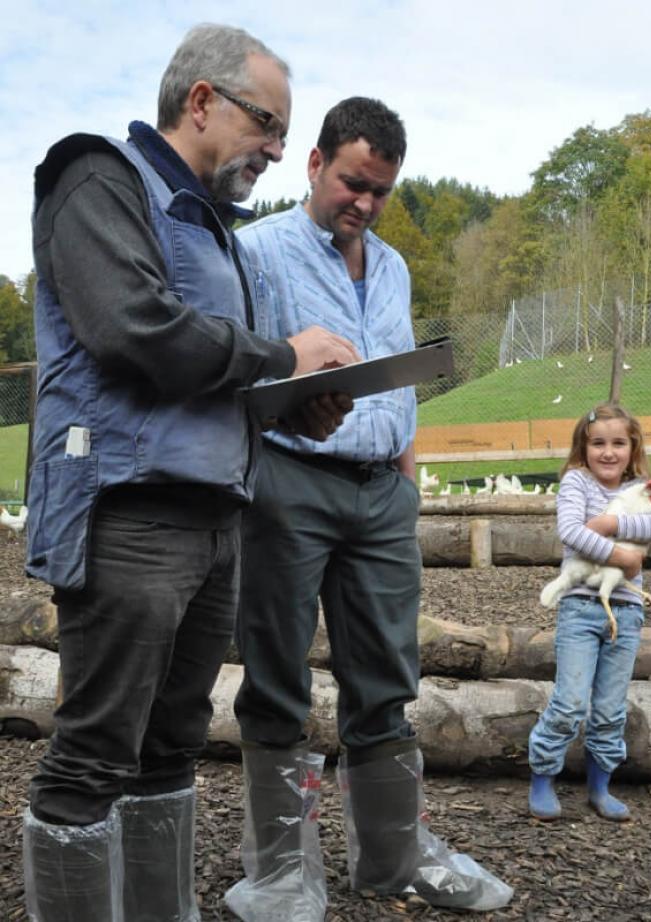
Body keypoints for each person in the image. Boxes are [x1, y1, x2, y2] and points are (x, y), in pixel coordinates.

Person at [22, 23, 359, 922]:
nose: (279, 151)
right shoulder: (98, 179)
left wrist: (294, 400)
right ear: (201, 100)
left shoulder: (212, 230)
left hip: (214, 518)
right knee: (93, 755)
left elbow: (216, 381)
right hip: (128, 511)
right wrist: (281, 357)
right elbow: (133, 329)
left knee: (172, 746)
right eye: (267, 123)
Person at [227, 97, 513, 921]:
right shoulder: (256, 252)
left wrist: (410, 481)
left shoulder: (391, 265)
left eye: (382, 190)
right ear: (315, 165)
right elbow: (231, 375)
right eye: (354, 182)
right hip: (288, 479)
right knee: (278, 670)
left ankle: (392, 856)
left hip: (382, 488)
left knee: (388, 671)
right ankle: (280, 870)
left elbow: (398, 382)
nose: (365, 203)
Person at [528, 403, 651, 823]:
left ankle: (600, 787)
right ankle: (542, 777)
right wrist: (624, 559)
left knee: (610, 708)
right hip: (579, 605)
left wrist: (610, 524)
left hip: (625, 612)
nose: (608, 452)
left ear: (632, 447)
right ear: (584, 447)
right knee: (571, 700)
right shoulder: (577, 482)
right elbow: (571, 531)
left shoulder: (644, 487)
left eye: (618, 443)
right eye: (598, 443)